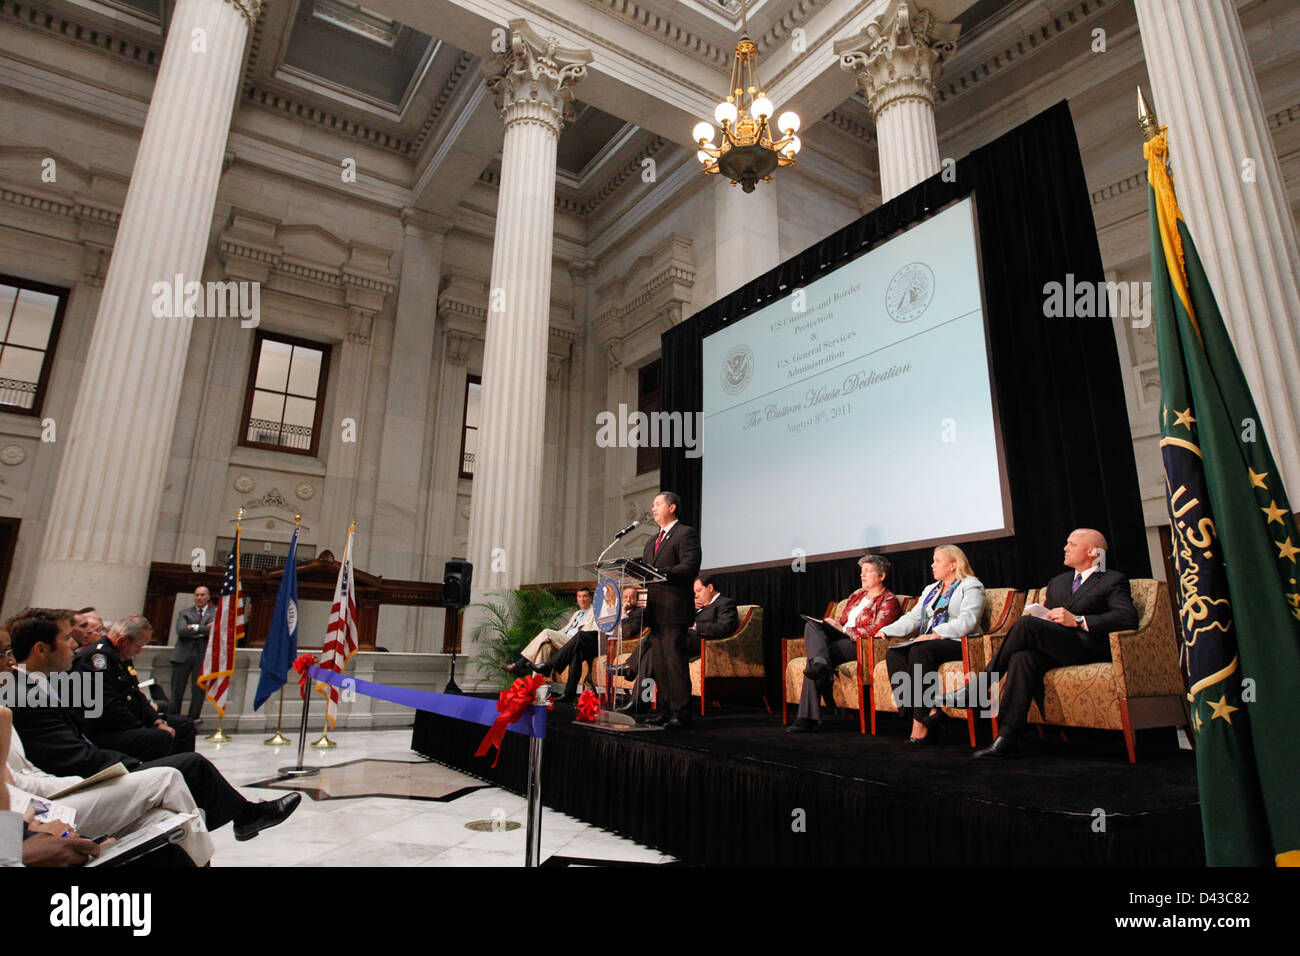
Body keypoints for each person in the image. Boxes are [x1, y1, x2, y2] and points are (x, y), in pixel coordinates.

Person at [7, 613, 300, 842]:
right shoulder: (24, 694)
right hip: (73, 780)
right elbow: (71, 751)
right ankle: (245, 816)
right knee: (190, 765)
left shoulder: (45, 684)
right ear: (41, 649)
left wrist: (153, 723)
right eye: (67, 637)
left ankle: (241, 816)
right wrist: (131, 765)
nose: (74, 644)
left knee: (182, 744)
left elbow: (117, 703)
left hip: (87, 761)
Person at [944, 528, 1138, 759]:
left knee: (1026, 624)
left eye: (1072, 544)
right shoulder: (1058, 582)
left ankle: (980, 686)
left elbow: (1127, 617)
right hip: (1056, 646)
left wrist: (1077, 620)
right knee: (1021, 658)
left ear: (1092, 552)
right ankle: (1008, 736)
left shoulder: (1112, 579)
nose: (1065, 548)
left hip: (1085, 647)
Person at [880, 545, 986, 744]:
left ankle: (919, 724)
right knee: (895, 653)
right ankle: (930, 712)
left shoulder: (971, 585)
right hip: (933, 643)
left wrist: (936, 634)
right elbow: (913, 618)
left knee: (920, 650)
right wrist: (887, 630)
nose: (932, 565)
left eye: (937, 561)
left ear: (953, 565)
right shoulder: (931, 590)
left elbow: (968, 620)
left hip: (960, 642)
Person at [788, 554, 903, 733]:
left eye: (868, 571)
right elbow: (842, 620)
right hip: (840, 637)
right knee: (811, 625)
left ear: (881, 576)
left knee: (815, 659)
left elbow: (878, 628)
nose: (862, 575)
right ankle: (820, 662)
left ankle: (806, 717)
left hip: (860, 645)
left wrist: (843, 630)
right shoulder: (857, 595)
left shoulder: (889, 600)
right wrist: (834, 625)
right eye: (861, 571)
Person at [74, 615, 196, 760]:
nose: (139, 651)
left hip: (127, 721)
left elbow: (136, 693)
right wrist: (144, 727)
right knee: (160, 737)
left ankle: (185, 772)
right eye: (139, 645)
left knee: (184, 726)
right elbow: (110, 707)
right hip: (105, 730)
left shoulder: (121, 656)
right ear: (122, 641)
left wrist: (156, 720)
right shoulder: (98, 658)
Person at [638, 491, 701, 728]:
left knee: (674, 661)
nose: (653, 508)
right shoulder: (650, 542)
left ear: (672, 507)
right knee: (660, 663)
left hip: (674, 609)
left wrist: (664, 572)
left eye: (657, 504)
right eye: (652, 505)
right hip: (654, 610)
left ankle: (681, 712)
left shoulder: (685, 533)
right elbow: (644, 572)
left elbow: (690, 566)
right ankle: (664, 710)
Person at [500, 587, 597, 677]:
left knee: (547, 632)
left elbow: (593, 634)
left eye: (585, 596)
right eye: (579, 596)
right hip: (564, 641)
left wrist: (552, 635)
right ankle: (536, 688)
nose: (582, 599)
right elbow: (565, 630)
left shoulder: (595, 612)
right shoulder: (577, 613)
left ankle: (519, 664)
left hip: (576, 642)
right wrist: (555, 636)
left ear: (590, 598)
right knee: (545, 647)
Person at [171, 586, 214, 720]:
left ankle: (193, 719)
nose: (199, 598)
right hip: (183, 655)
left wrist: (194, 627)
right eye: (197, 595)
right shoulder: (184, 613)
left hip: (202, 655)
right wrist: (203, 629)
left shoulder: (215, 614)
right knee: (177, 690)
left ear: (208, 597)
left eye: (202, 595)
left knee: (198, 691)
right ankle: (173, 719)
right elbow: (182, 631)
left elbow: (215, 632)